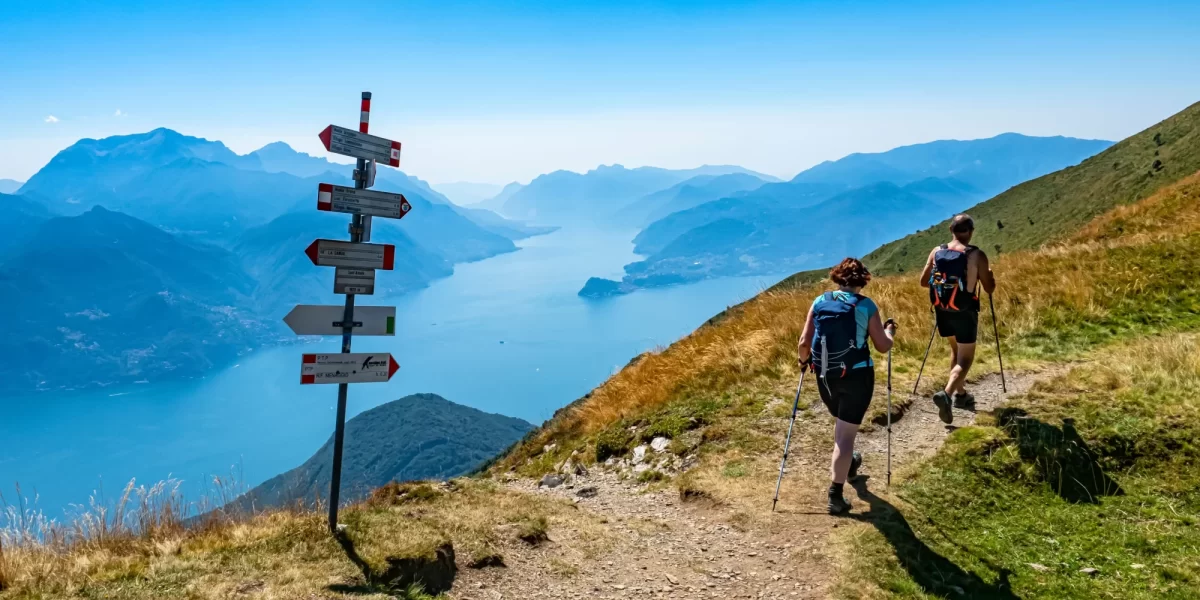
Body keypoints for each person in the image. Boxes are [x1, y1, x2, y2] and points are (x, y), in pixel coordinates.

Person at [797, 257, 896, 515]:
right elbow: (883, 347)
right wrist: (889, 332)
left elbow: (803, 342)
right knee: (844, 437)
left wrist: (803, 362)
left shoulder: (820, 301)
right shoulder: (866, 306)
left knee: (842, 426)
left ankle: (849, 463)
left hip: (825, 376)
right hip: (857, 377)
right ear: (862, 280)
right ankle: (835, 495)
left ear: (837, 278)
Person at [919, 214, 996, 424]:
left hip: (942, 309)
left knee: (955, 350)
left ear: (951, 230)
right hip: (965, 310)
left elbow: (923, 282)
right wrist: (989, 275)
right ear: (970, 232)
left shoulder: (937, 251)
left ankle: (961, 395)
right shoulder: (976, 255)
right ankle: (947, 393)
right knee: (966, 358)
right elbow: (989, 288)